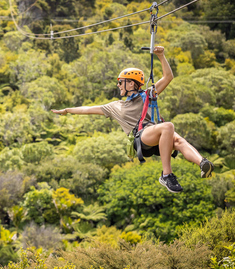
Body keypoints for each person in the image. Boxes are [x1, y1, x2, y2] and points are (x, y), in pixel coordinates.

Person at [52, 46, 214, 193]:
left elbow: (168, 77)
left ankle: (202, 163)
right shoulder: (115, 106)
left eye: (120, 83)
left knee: (178, 141)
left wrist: (161, 56)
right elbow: (88, 109)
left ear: (130, 84)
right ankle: (166, 175)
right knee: (168, 127)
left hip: (156, 138)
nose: (118, 86)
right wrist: (67, 110)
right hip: (140, 139)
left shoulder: (147, 95)